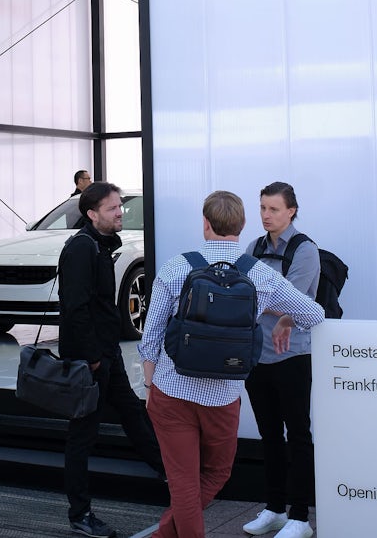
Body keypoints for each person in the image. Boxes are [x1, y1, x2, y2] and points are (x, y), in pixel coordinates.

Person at [138, 191, 323, 538]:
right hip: (223, 396)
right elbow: (314, 313)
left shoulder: (178, 265)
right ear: (242, 226)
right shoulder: (259, 275)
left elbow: (151, 337)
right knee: (217, 473)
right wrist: (278, 314)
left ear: (205, 224)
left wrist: (150, 386)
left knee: (183, 483)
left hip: (171, 389)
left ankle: (163, 534)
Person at [59, 181, 164, 538]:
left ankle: (173, 479)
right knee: (82, 437)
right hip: (91, 359)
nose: (121, 212)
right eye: (112, 208)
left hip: (107, 353)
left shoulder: (101, 245)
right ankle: (80, 514)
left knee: (135, 415)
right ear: (92, 214)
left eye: (120, 206)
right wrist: (92, 359)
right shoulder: (81, 249)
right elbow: (74, 309)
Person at [241, 183, 320, 538]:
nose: (266, 216)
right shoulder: (254, 248)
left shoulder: (305, 250)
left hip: (293, 355)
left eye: (273, 209)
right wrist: (266, 299)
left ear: (291, 211)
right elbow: (248, 294)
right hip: (259, 355)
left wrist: (260, 298)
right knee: (269, 435)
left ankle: (300, 517)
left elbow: (294, 302)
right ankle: (274, 509)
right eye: (262, 208)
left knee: (298, 435)